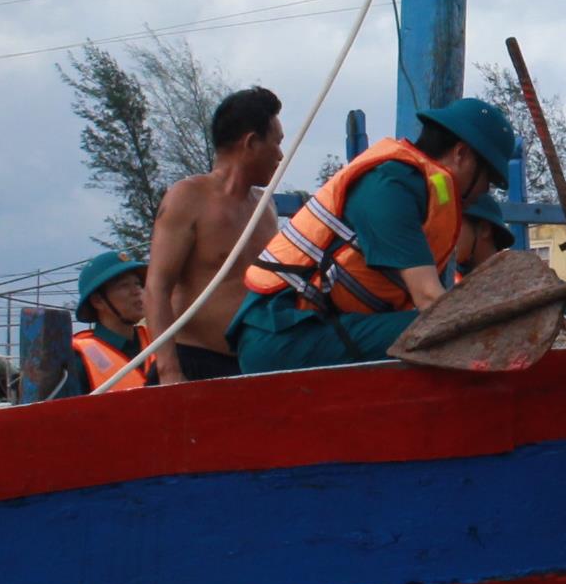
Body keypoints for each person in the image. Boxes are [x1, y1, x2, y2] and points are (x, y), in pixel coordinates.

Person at [230, 98, 518, 374]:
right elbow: (430, 299)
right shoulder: (388, 187)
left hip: (315, 326)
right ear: (461, 154)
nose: (484, 191)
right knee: (441, 332)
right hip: (281, 333)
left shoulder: (418, 190)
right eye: (488, 179)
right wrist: (503, 334)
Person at [143, 85, 286, 384]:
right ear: (251, 143)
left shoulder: (266, 207)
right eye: (276, 143)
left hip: (253, 364)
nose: (281, 155)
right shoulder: (188, 197)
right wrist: (170, 371)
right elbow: (157, 287)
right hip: (193, 362)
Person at [49, 253, 151, 397]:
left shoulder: (160, 340)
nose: (137, 291)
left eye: (138, 284)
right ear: (98, 301)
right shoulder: (78, 360)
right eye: (124, 285)